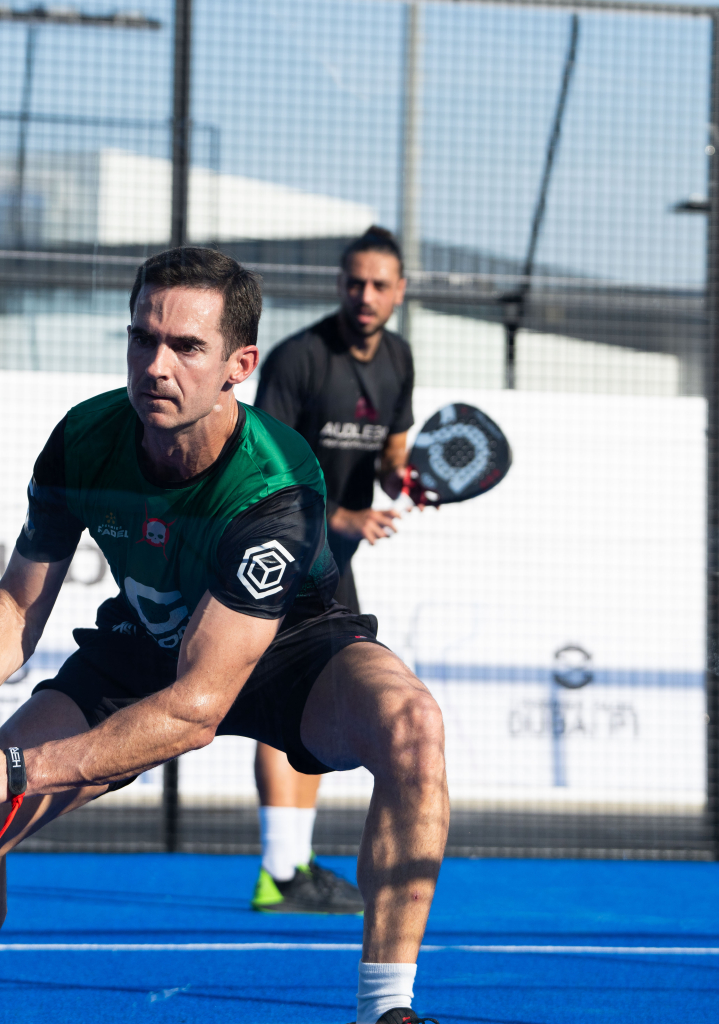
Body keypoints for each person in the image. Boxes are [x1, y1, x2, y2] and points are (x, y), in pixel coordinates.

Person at [0, 247, 447, 1024]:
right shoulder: (84, 439)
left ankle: (386, 1013)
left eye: (186, 347)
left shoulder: (276, 481)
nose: (156, 365)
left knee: (412, 727)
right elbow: (20, 606)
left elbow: (198, 708)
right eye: (141, 338)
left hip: (294, 649)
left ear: (237, 364)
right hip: (148, 641)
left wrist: (15, 768)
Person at [246, 226, 418, 915]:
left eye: (380, 284)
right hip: (277, 554)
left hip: (333, 569)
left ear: (400, 291)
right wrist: (343, 520)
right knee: (279, 702)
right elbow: (261, 473)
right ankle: (279, 869)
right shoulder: (298, 360)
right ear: (339, 284)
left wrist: (412, 477)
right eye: (355, 282)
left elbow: (391, 459)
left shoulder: (398, 359)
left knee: (315, 700)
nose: (365, 295)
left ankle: (290, 866)